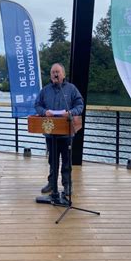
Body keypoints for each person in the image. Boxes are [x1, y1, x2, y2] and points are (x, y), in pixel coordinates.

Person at [34, 63, 84, 198]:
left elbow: (80, 105)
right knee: (52, 160)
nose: (55, 74)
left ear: (63, 74)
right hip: (50, 133)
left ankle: (67, 185)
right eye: (53, 72)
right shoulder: (45, 90)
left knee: (67, 160)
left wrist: (71, 112)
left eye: (57, 72)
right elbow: (37, 105)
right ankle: (52, 184)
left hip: (66, 132)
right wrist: (45, 112)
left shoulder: (71, 89)